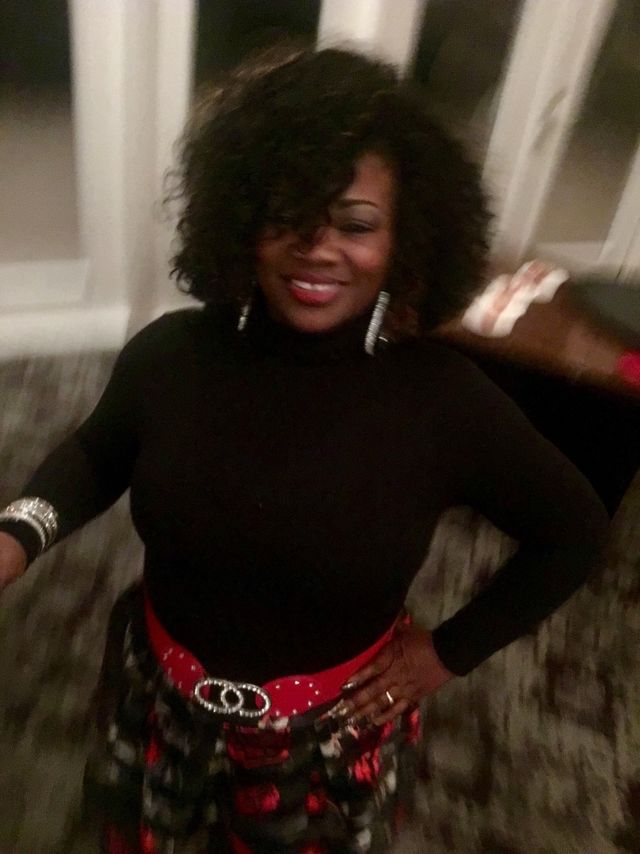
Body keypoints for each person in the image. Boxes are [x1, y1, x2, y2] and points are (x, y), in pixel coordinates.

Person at [0, 47, 609, 854]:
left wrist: (448, 654)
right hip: (158, 696)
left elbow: (573, 531)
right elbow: (95, 454)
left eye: (355, 224)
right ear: (242, 220)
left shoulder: (447, 402)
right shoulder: (171, 354)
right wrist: (18, 534)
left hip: (325, 739)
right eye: (288, 214)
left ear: (404, 238)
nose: (317, 248)